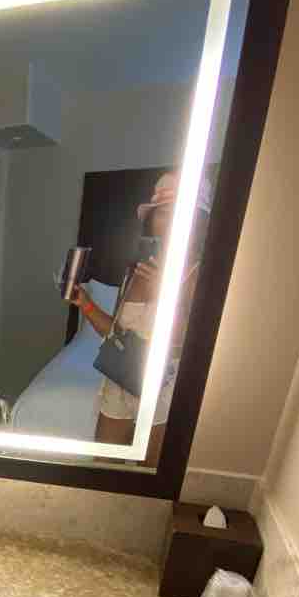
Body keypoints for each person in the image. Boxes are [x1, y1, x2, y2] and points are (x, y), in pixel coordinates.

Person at [76, 170, 211, 467]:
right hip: (120, 376)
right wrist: (85, 303)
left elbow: (188, 343)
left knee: (149, 478)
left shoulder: (201, 274)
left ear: (198, 222)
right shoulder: (137, 269)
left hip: (164, 386)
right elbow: (116, 335)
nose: (169, 223)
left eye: (179, 214)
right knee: (103, 467)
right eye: (162, 213)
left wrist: (166, 294)